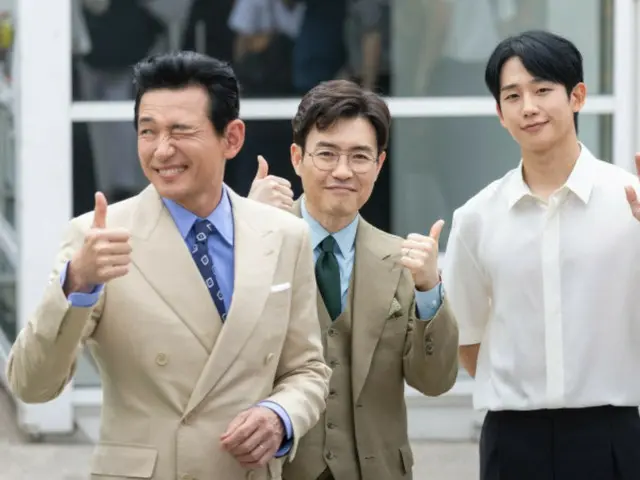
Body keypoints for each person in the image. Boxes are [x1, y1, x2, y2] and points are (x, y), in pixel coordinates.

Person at [6, 51, 330, 480]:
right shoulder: (99, 237)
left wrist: (280, 416)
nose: (162, 150)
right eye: (148, 131)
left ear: (231, 138)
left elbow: (307, 368)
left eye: (181, 131)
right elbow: (32, 384)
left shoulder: (284, 234)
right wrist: (76, 284)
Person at [443, 30, 640, 480]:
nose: (528, 106)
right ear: (499, 113)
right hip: (512, 442)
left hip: (612, 436)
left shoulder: (630, 202)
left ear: (577, 96)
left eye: (543, 90)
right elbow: (467, 339)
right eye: (513, 95)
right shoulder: (477, 217)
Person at [248, 79, 459, 480]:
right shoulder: (256, 240)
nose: (342, 171)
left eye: (360, 157)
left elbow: (434, 381)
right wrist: (250, 232)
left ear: (379, 165)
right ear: (296, 158)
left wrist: (429, 289)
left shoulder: (402, 260)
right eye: (326, 154)